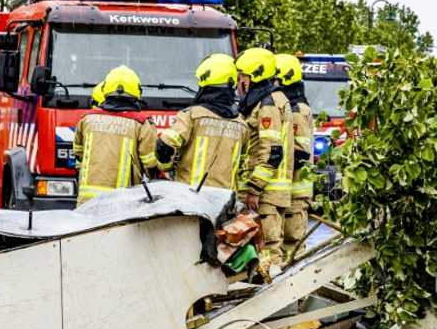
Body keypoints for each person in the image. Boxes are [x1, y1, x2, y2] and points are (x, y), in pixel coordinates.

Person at [152, 54, 253, 192]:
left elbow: (163, 145)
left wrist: (167, 168)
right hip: (224, 203)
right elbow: (244, 165)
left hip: (192, 200)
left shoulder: (192, 116)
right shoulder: (241, 123)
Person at [234, 47, 294, 268]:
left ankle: (271, 293)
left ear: (256, 75)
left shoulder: (268, 104)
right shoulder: (267, 100)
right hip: (267, 190)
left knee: (269, 249)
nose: (241, 81)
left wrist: (255, 188)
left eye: (244, 76)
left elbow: (271, 151)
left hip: (266, 193)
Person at [72, 66, 158, 206]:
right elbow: (151, 164)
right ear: (137, 92)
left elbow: (78, 155)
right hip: (123, 204)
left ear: (105, 89)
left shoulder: (86, 120)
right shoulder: (142, 124)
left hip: (86, 203)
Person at [275, 53, 315, 258]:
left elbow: (300, 153)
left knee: (292, 251)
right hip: (290, 193)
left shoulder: (296, 111)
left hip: (294, 194)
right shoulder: (292, 107)